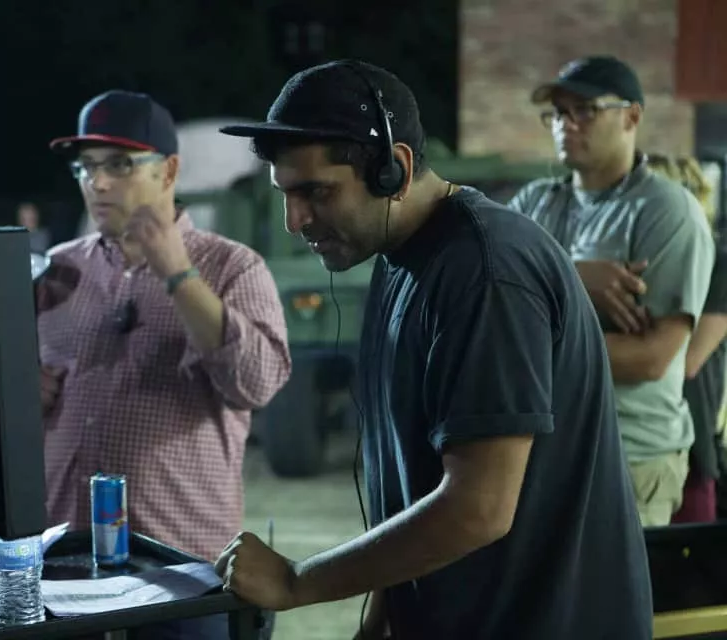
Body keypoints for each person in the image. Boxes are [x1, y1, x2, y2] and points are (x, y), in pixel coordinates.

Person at [214, 60, 652, 640]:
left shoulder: (485, 272)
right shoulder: (399, 260)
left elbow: (479, 506)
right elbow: (414, 483)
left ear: (393, 169)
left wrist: (298, 582)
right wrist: (383, 616)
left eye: (316, 192)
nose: (295, 221)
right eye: (285, 195)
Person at [38, 90, 291, 639]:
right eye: (86, 167)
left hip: (180, 575)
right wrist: (16, 390)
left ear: (170, 170)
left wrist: (178, 274)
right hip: (63, 566)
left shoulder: (232, 267)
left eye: (119, 165)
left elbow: (256, 384)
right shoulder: (57, 272)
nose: (98, 183)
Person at [509, 56, 715, 526]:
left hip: (627, 455)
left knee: (608, 578)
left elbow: (650, 358)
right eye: (558, 113)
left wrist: (518, 343)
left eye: (585, 110)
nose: (565, 124)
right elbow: (486, 295)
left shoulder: (665, 211)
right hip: (536, 449)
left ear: (632, 116)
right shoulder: (535, 203)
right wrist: (571, 276)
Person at [647, 153, 727, 523]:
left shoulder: (718, 264)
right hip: (642, 441)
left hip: (692, 445)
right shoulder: (646, 267)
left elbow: (689, 361)